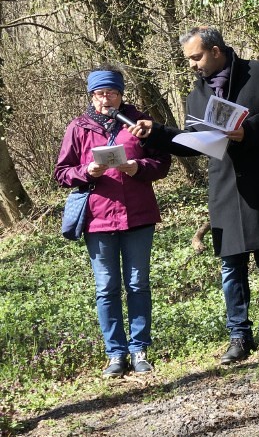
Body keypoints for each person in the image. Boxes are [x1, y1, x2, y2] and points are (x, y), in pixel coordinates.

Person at [130, 26, 259, 364]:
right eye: (189, 59)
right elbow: (192, 143)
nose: (192, 65)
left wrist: (247, 130)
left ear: (216, 51)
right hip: (225, 187)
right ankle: (239, 336)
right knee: (231, 266)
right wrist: (156, 133)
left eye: (196, 57)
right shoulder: (197, 95)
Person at [54, 66, 172, 378]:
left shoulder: (138, 123)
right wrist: (86, 172)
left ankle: (139, 349)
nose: (106, 99)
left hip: (138, 216)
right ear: (91, 96)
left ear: (121, 95)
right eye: (100, 94)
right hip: (98, 219)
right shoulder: (78, 127)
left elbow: (162, 163)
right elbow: (61, 172)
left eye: (112, 93)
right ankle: (116, 354)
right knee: (106, 288)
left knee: (138, 284)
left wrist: (138, 167)